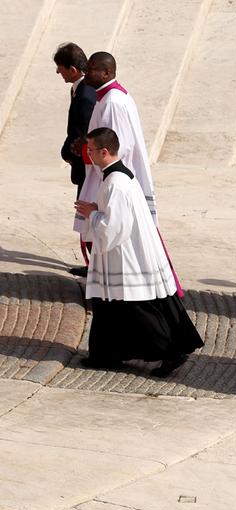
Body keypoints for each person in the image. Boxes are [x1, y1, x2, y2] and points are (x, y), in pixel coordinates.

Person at [73, 128, 202, 376]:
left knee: (134, 307)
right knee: (111, 307)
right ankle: (106, 354)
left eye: (90, 150)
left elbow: (114, 227)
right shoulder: (116, 177)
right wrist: (96, 210)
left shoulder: (116, 183)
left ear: (104, 151)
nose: (87, 154)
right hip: (128, 252)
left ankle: (171, 352)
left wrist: (92, 214)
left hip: (125, 256)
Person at [74, 52, 160, 255]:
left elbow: (117, 146)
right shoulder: (108, 97)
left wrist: (86, 151)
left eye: (92, 68)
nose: (86, 72)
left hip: (113, 177)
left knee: (112, 234)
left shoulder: (113, 102)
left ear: (106, 72)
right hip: (107, 174)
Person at [55, 42, 96, 276]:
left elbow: (81, 133)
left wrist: (68, 154)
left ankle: (94, 267)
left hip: (86, 165)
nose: (58, 73)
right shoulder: (81, 90)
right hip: (82, 162)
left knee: (87, 215)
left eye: (60, 68)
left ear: (72, 69)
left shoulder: (85, 95)